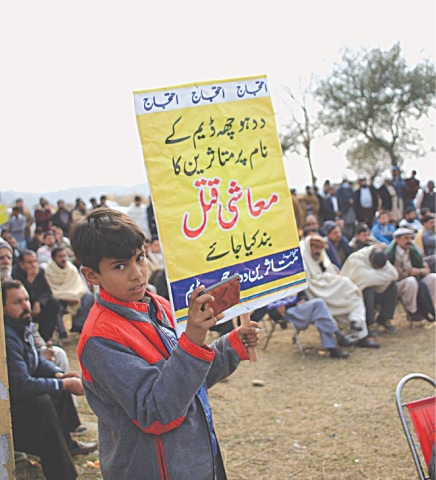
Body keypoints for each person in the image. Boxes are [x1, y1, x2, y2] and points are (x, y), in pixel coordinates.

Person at [69, 208, 260, 479]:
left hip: (195, 459)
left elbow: (185, 383)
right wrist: (193, 340)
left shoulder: (158, 305)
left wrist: (231, 346)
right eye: (120, 266)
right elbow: (156, 412)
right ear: (91, 275)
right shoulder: (100, 339)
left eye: (140, 258)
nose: (137, 274)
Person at [2, 280, 98, 480]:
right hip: (9, 413)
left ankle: (68, 443)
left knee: (56, 383)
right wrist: (63, 384)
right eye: (17, 302)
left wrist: (59, 375)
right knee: (43, 400)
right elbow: (20, 385)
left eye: (27, 299)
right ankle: (62, 474)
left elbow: (35, 362)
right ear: (3, 308)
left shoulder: (20, 325)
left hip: (19, 398)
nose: (26, 306)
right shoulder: (6, 337)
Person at [300, 235, 379, 348]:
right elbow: (312, 280)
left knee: (353, 295)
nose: (318, 251)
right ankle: (358, 328)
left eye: (319, 248)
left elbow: (329, 271)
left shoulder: (322, 259)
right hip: (317, 293)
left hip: (331, 290)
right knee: (348, 289)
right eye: (315, 247)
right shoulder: (304, 261)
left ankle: (359, 332)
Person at [252, 291, 352, 359]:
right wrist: (277, 312)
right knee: (319, 304)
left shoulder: (292, 274)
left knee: (319, 315)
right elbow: (266, 308)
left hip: (301, 309)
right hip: (289, 313)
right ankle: (338, 337)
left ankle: (333, 347)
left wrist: (303, 299)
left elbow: (302, 293)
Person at [341, 246, 399, 333]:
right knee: (369, 290)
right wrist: (381, 278)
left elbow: (394, 274)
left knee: (392, 286)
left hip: (378, 291)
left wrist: (376, 279)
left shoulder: (382, 258)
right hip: (357, 295)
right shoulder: (356, 259)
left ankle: (384, 319)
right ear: (371, 261)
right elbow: (364, 280)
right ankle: (369, 324)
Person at [12, 249, 64, 341]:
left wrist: (38, 303)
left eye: (35, 261)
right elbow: (19, 295)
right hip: (21, 306)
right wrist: (30, 280)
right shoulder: (15, 274)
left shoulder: (39, 271)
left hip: (38, 306)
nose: (33, 265)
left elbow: (47, 291)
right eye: (29, 262)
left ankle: (44, 338)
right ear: (21, 264)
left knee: (54, 303)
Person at [386, 228, 435, 322]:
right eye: (406, 238)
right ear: (397, 239)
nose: (409, 241)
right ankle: (413, 311)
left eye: (410, 238)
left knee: (433, 278)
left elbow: (427, 269)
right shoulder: (391, 254)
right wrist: (407, 273)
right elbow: (393, 276)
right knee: (411, 281)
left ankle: (426, 309)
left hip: (417, 279)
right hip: (398, 285)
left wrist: (418, 271)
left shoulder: (414, 250)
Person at [45, 246, 95, 333]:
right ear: (54, 258)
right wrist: (66, 297)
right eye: (60, 256)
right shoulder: (48, 271)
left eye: (65, 256)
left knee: (89, 296)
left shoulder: (71, 269)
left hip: (74, 296)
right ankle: (62, 332)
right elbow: (50, 290)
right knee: (54, 304)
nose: (63, 259)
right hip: (58, 297)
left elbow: (79, 286)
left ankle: (78, 324)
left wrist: (73, 296)